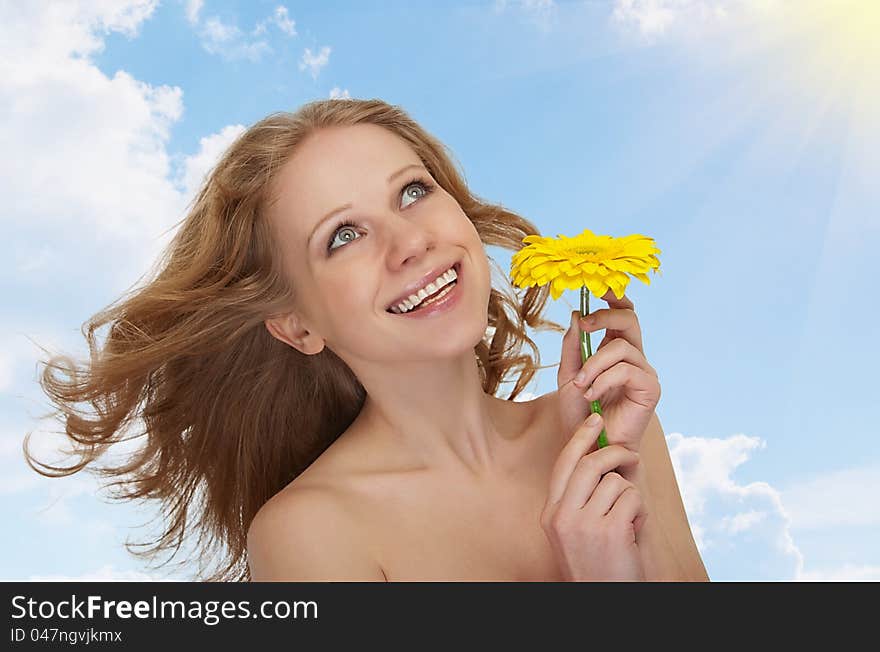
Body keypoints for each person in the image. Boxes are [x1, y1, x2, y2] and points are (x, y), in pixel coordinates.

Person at [28, 98, 708, 582]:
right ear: (297, 325)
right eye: (343, 236)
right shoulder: (311, 534)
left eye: (413, 192)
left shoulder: (620, 434)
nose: (410, 242)